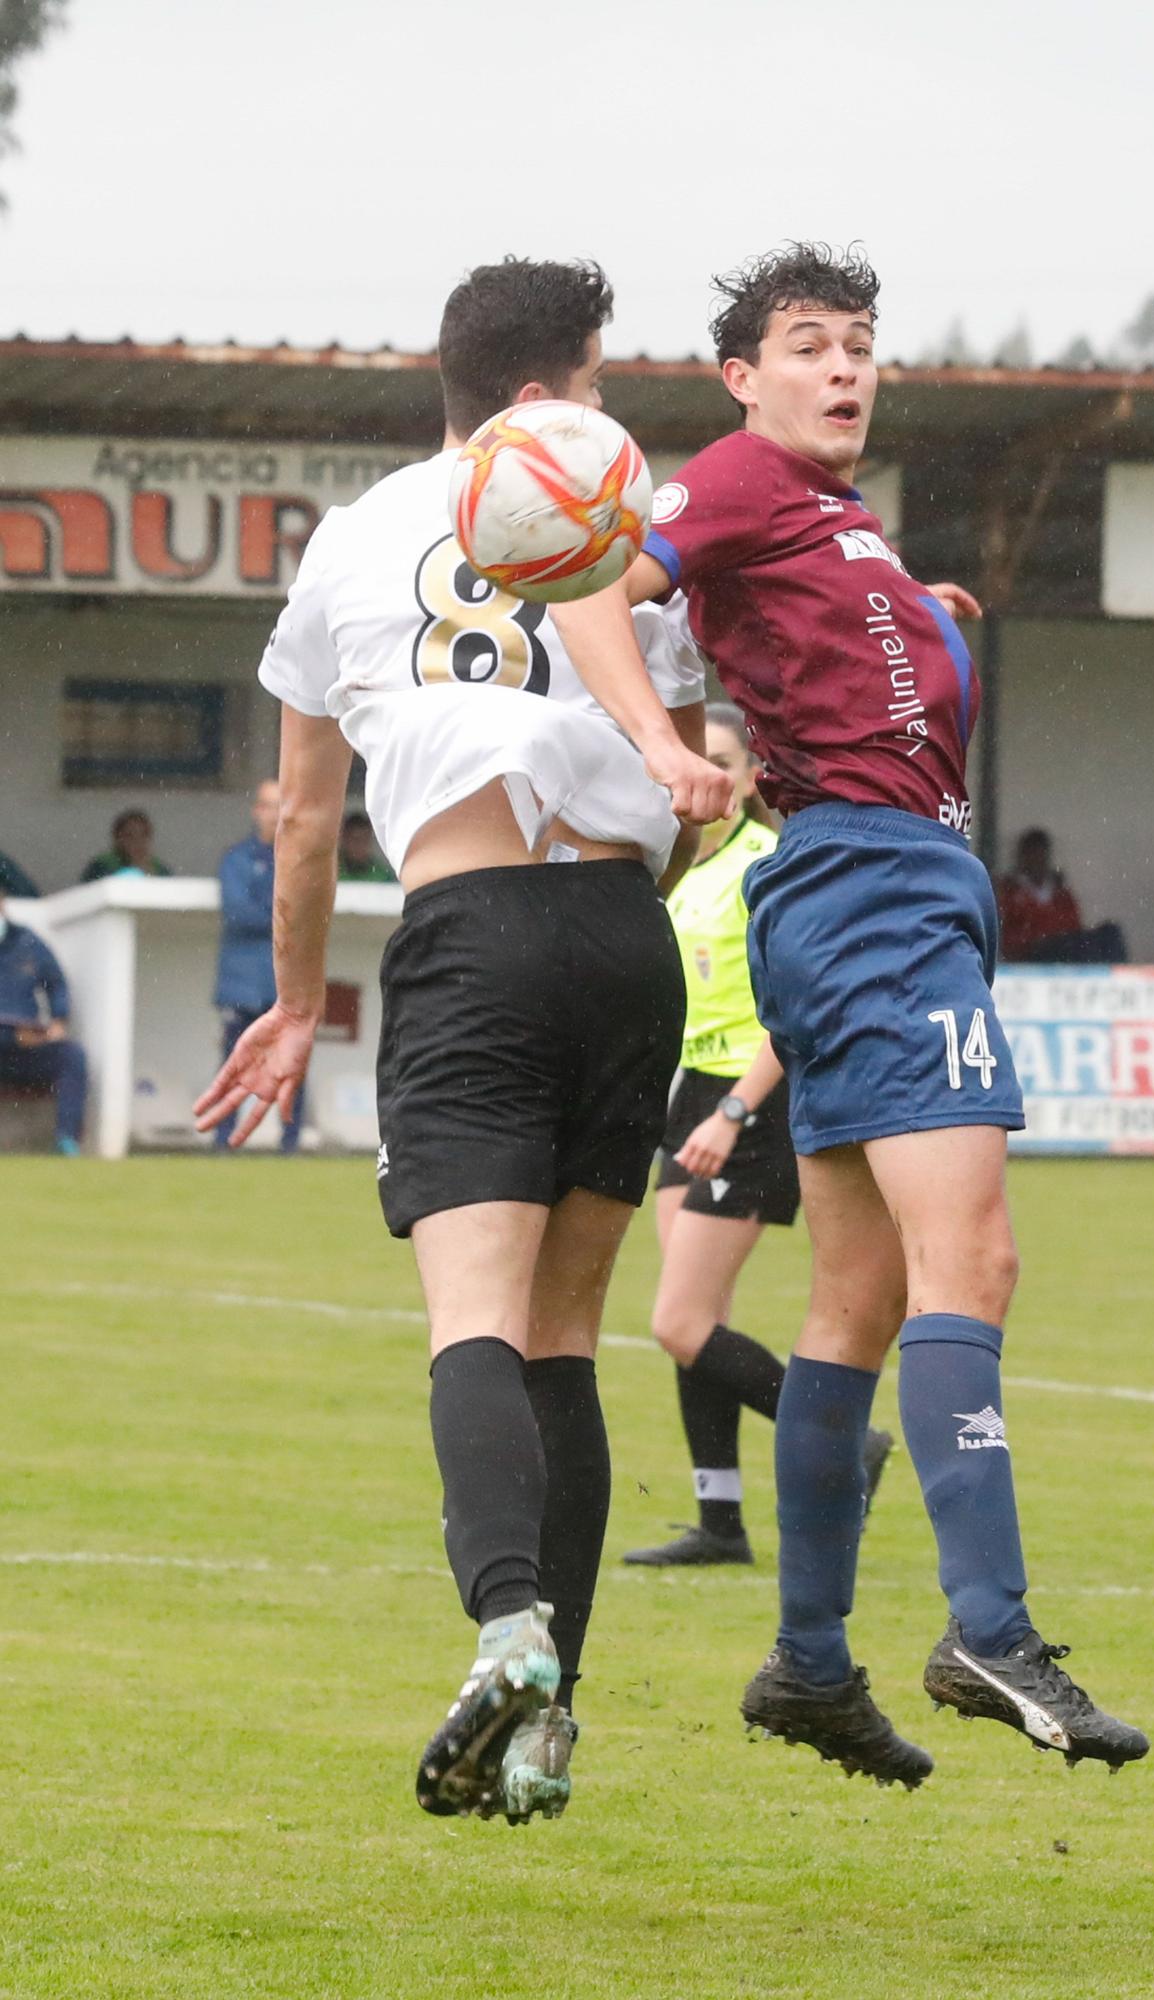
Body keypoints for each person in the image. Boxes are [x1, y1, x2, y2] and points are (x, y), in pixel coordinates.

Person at [556, 243, 1148, 1786]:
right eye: (810, 345)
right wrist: (663, 750)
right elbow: (595, 589)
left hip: (872, 894)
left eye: (861, 344)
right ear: (745, 379)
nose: (845, 368)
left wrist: (922, 611)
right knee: (979, 1259)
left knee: (856, 1306)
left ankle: (809, 1665)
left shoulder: (840, 524)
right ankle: (989, 1628)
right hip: (876, 894)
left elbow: (836, 664)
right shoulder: (741, 480)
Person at [193, 257, 730, 1829]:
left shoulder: (354, 536)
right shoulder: (628, 533)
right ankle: (555, 1727)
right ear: (545, 393)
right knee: (566, 1336)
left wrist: (295, 1005)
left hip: (473, 933)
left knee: (474, 1323)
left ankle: (506, 1633)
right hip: (625, 941)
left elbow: (302, 816)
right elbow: (691, 769)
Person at [625, 702, 892, 1569]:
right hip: (694, 1094)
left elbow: (802, 1006)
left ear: (748, 777)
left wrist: (734, 1109)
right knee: (700, 1319)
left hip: (752, 1101)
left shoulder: (764, 866)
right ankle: (720, 1521)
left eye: (726, 759)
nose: (708, 772)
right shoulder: (677, 870)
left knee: (678, 1321)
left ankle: (847, 1441)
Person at [213, 782, 305, 1154]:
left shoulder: (298, 856)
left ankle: (290, 1143)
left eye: (281, 805)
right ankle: (223, 1141)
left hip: (286, 983)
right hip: (242, 982)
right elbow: (239, 912)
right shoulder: (237, 858)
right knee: (235, 1064)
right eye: (268, 805)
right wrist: (282, 917)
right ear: (256, 810)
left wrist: (280, 915)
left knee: (293, 1065)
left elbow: (306, 908)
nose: (275, 813)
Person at [0, 895, 88, 1155]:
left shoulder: (27, 942)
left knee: (71, 1056)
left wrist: (58, 1021)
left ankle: (66, 1140)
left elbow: (57, 983)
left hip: (26, 1051)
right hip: (12, 1039)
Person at [996, 828, 1126, 965]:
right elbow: (1007, 936)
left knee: (1109, 932)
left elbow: (1075, 924)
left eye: (1041, 854)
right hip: (1033, 954)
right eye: (1032, 854)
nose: (1037, 860)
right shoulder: (1009, 892)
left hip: (1066, 947)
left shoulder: (1060, 892)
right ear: (1022, 857)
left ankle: (1117, 978)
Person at [80, 809, 173, 883]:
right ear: (117, 839)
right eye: (129, 835)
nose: (138, 842)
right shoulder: (101, 867)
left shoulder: (161, 870)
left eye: (144, 835)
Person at [337, 809, 396, 883]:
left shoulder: (382, 875)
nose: (359, 845)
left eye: (364, 839)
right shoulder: (332, 871)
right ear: (344, 839)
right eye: (355, 839)